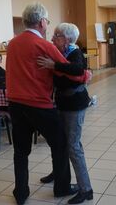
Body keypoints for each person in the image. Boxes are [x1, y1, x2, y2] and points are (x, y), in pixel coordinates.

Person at [6, 3, 77, 205]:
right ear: (42, 22)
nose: (47, 25)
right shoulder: (45, 45)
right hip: (39, 104)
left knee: (21, 151)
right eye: (47, 21)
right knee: (60, 144)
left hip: (15, 103)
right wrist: (83, 74)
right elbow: (66, 69)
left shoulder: (12, 43)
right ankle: (61, 187)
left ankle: (21, 192)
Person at [37, 23, 93, 204]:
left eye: (57, 35)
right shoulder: (58, 53)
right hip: (61, 103)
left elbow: (79, 70)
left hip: (75, 105)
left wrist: (54, 65)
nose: (52, 39)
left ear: (67, 39)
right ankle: (59, 174)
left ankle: (86, 189)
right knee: (60, 143)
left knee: (73, 146)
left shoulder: (75, 52)